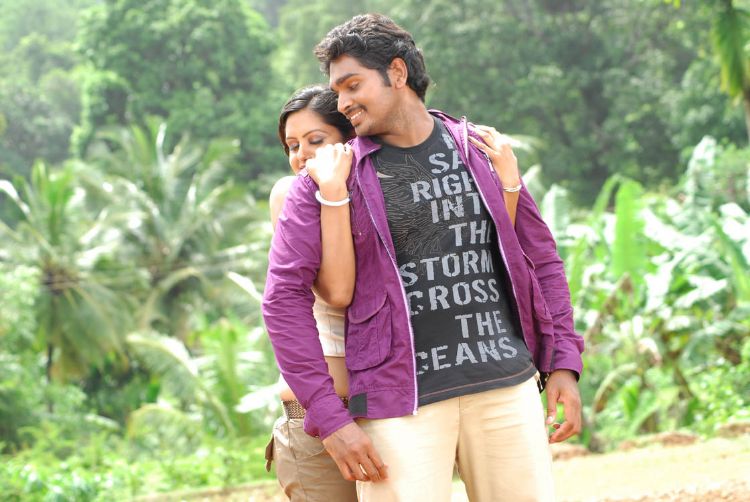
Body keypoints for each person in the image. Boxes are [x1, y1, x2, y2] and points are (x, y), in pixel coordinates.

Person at [262, 13, 579, 497]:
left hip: (506, 385)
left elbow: (541, 260)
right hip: (397, 403)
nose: (342, 104)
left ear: (397, 72)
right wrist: (330, 419)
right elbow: (283, 300)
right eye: (337, 90)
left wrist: (562, 364)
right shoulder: (325, 181)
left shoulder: (481, 152)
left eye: (352, 85)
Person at [266, 85, 357, 501]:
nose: (301, 154)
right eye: (292, 145)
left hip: (390, 408)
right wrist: (333, 193)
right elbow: (336, 291)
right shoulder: (291, 194)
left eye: (314, 141)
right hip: (317, 417)